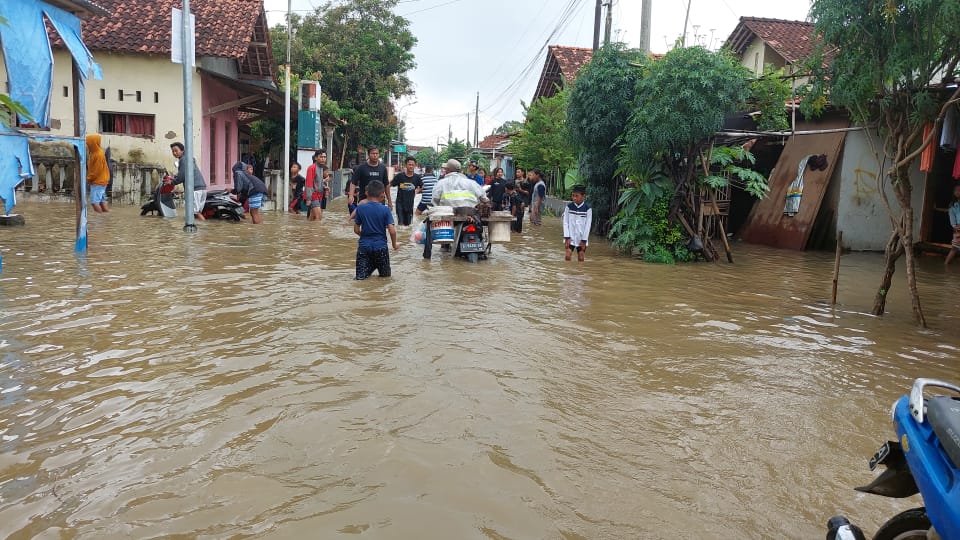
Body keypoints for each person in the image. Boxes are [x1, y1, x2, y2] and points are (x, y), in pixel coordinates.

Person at [354, 180, 399, 280]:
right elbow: (392, 231)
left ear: (367, 193)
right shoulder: (385, 210)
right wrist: (394, 244)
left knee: (360, 278)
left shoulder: (361, 208)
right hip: (381, 248)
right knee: (385, 278)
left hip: (364, 247)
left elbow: (356, 229)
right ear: (382, 195)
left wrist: (364, 236)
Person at [169, 142, 207, 221]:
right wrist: (175, 177)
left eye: (176, 150)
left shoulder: (183, 160)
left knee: (195, 212)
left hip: (195, 189)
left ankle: (205, 227)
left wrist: (172, 182)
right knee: (196, 212)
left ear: (182, 150)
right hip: (201, 188)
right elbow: (184, 173)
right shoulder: (189, 158)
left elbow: (182, 176)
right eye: (173, 151)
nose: (174, 153)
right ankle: (199, 230)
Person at [350, 147, 391, 211]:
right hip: (364, 199)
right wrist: (351, 195)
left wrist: (389, 200)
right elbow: (353, 182)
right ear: (368, 155)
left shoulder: (383, 168)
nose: (375, 155)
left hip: (379, 200)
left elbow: (386, 184)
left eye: (377, 153)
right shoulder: (361, 167)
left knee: (378, 219)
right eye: (373, 153)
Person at [563, 185, 592, 262]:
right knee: (567, 256)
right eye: (573, 195)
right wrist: (567, 237)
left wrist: (584, 240)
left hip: (581, 237)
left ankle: (580, 273)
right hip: (570, 237)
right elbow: (565, 222)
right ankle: (567, 273)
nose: (574, 198)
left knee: (581, 257)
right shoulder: (569, 207)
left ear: (583, 196)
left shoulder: (588, 209)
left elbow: (588, 225)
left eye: (577, 196)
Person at [391, 156, 422, 226]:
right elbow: (390, 184)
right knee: (401, 224)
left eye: (412, 165)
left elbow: (422, 186)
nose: (411, 166)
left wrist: (416, 191)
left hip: (410, 205)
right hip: (400, 203)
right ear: (406, 165)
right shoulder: (399, 176)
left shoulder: (417, 177)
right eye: (409, 164)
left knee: (408, 226)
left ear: (415, 166)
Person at [85, 134, 110, 213]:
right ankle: (107, 218)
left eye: (88, 143)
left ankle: (99, 220)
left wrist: (88, 179)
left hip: (98, 182)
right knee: (102, 201)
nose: (87, 145)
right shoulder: (94, 153)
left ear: (92, 143)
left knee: (94, 202)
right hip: (101, 181)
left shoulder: (98, 154)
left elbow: (96, 171)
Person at [304, 150, 327, 221]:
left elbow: (318, 182)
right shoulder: (312, 168)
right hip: (313, 195)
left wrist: (324, 187)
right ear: (316, 158)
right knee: (319, 216)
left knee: (312, 217)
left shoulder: (322, 168)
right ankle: (317, 232)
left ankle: (309, 231)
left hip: (319, 195)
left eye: (324, 157)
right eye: (321, 157)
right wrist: (308, 198)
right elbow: (309, 183)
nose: (323, 159)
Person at [946, 183, 960, 265]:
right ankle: (946, 267)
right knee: (954, 248)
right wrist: (955, 227)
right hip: (958, 229)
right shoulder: (953, 206)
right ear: (954, 192)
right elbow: (953, 222)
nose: (958, 192)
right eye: (956, 190)